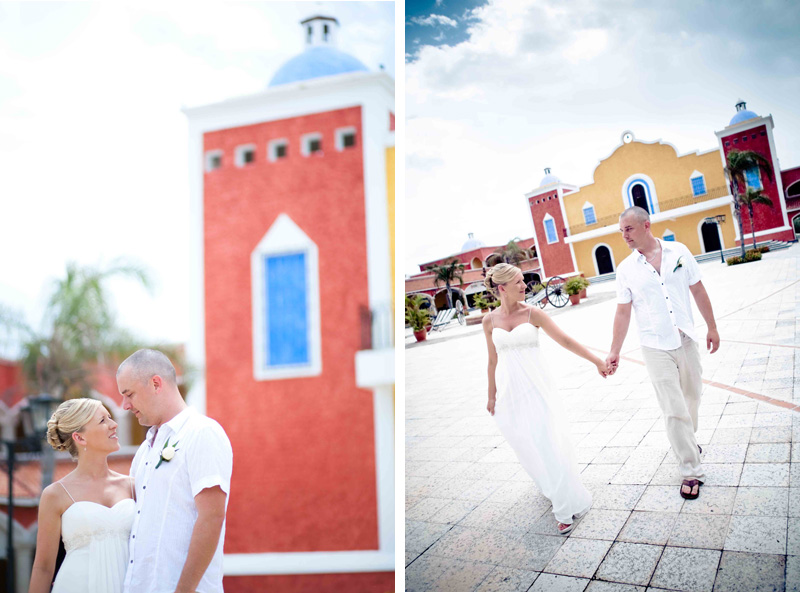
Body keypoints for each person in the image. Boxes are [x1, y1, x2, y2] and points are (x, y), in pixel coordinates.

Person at [483, 263, 610, 534]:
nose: (524, 286)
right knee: (524, 444)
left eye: (523, 280)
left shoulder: (534, 314)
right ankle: (552, 485)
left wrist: (597, 361)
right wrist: (492, 395)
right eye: (517, 282)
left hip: (538, 389)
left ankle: (564, 508)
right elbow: (492, 360)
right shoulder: (488, 321)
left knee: (547, 441)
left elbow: (564, 340)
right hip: (510, 393)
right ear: (502, 288)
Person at [606, 206, 719, 500]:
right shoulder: (625, 270)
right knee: (673, 408)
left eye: (628, 229)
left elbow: (698, 290)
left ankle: (687, 441)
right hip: (655, 346)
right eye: (621, 231)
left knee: (692, 395)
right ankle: (690, 469)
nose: (624, 236)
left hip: (685, 337)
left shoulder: (678, 252)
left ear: (646, 225)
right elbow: (622, 312)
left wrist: (712, 327)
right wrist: (614, 350)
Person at [116, 349, 232, 593]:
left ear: (156, 383)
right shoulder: (144, 451)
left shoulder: (202, 433)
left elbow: (212, 517)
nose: (125, 405)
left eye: (129, 394)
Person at [29, 398, 134, 593]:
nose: (114, 424)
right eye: (103, 421)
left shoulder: (132, 486)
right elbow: (43, 567)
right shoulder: (55, 494)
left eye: (110, 417)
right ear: (80, 438)